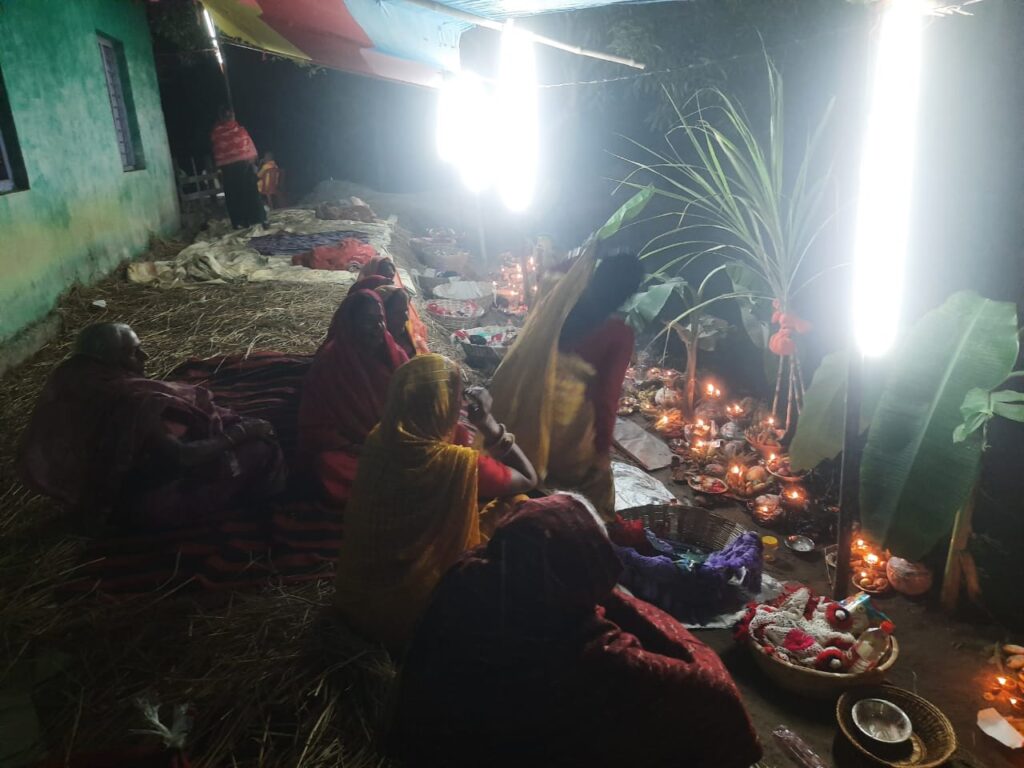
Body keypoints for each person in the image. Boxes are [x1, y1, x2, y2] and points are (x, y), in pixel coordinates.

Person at [388, 493, 762, 768]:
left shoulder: (473, 573)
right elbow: (715, 691)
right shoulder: (596, 653)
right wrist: (614, 601)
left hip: (424, 740)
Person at [333, 354, 537, 651]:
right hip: (416, 617)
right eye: (456, 399)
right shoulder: (455, 464)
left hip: (358, 600)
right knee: (519, 500)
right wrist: (489, 424)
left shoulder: (379, 438)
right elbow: (529, 478)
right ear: (443, 407)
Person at [18, 323, 283, 532]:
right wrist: (243, 432)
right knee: (261, 449)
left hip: (91, 494)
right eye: (134, 352)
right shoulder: (130, 402)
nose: (145, 356)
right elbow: (182, 457)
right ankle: (266, 504)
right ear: (111, 361)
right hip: (143, 508)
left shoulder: (70, 380)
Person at [488, 245, 643, 519]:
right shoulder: (619, 333)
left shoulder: (561, 301)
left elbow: (552, 272)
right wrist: (602, 452)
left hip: (524, 402)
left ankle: (525, 491)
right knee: (595, 490)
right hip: (564, 424)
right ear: (628, 295)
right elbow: (607, 397)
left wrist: (589, 253)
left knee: (525, 457)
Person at [297, 290, 408, 504]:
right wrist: (359, 448)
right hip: (357, 450)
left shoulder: (396, 355)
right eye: (368, 321)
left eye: (380, 320)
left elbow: (412, 403)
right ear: (350, 324)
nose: (377, 328)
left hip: (397, 441)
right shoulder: (331, 363)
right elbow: (315, 426)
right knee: (329, 464)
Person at [352, 254, 430, 354]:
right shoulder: (363, 305)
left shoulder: (394, 296)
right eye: (384, 275)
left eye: (391, 276)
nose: (389, 280)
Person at [210, 106, 265, 228]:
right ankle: (257, 219)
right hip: (243, 166)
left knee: (235, 195)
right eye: (229, 115)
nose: (231, 117)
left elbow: (218, 151)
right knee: (249, 192)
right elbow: (250, 151)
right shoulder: (240, 131)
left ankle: (241, 221)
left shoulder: (217, 133)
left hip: (229, 169)